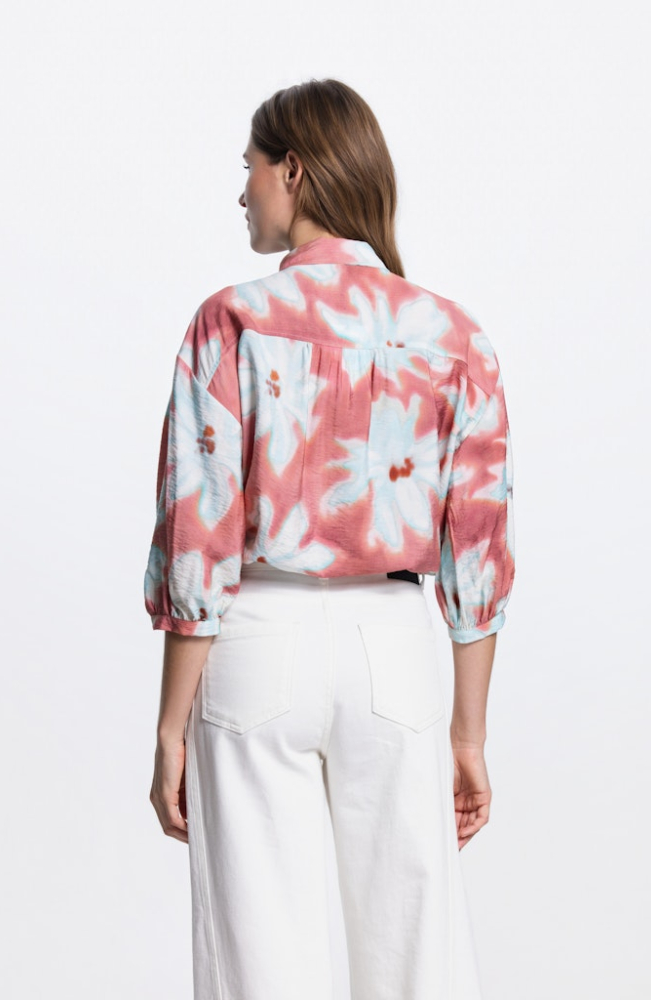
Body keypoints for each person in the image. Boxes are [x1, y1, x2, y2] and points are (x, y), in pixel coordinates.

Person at [146, 78, 515, 1000]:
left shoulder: (232, 321)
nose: (241, 191)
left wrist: (169, 728)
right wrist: (469, 734)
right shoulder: (454, 338)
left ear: (294, 171)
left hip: (256, 639)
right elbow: (477, 548)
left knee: (258, 957)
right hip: (394, 648)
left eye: (250, 168)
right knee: (419, 955)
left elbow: (200, 536)